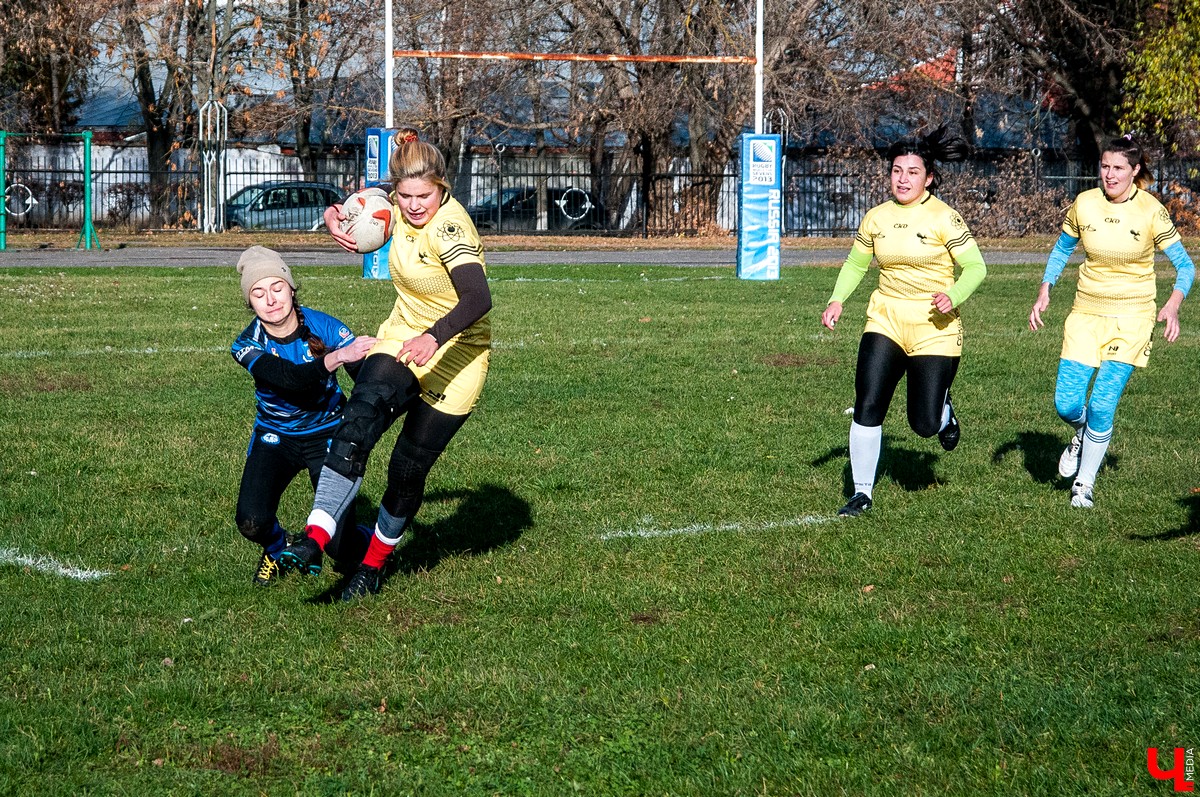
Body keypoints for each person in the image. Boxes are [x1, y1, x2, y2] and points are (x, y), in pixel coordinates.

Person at [279, 128, 493, 601]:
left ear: (443, 188)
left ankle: (370, 569)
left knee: (407, 470)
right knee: (361, 417)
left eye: (425, 195)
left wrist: (434, 337)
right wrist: (336, 214)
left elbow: (479, 298)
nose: (414, 205)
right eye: (405, 195)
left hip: (458, 351)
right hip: (403, 335)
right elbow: (361, 203)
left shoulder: (450, 226)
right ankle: (314, 541)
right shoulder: (392, 203)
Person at [820, 126, 987, 517]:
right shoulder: (876, 218)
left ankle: (943, 412)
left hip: (935, 327)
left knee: (923, 425)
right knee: (868, 401)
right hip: (886, 319)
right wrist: (837, 300)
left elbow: (976, 268)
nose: (903, 179)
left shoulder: (945, 217)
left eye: (912, 172)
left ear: (928, 177)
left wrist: (954, 295)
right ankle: (862, 493)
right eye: (897, 171)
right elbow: (856, 263)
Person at [1028, 134, 1194, 508]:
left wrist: (1172, 305)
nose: (1109, 174)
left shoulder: (1151, 210)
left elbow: (1185, 266)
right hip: (1085, 315)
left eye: (1119, 168)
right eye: (1104, 166)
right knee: (1067, 405)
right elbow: (1061, 250)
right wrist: (1045, 289)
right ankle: (1082, 434)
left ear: (1135, 171)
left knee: (1103, 402)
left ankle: (1083, 486)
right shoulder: (1084, 204)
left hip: (1133, 318)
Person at [231, 246, 377, 585]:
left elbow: (367, 380)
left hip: (327, 435)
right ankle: (277, 547)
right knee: (251, 521)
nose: (270, 299)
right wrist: (335, 358)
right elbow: (291, 380)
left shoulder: (325, 326)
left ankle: (374, 543)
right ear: (249, 302)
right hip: (275, 438)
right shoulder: (246, 344)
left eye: (277, 287)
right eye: (258, 293)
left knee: (340, 548)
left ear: (292, 288)